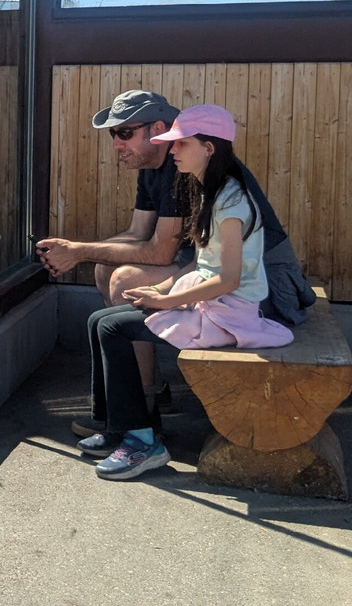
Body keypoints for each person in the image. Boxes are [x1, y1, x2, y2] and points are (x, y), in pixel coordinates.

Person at [78, 105, 294, 480]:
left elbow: (227, 279)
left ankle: (145, 443)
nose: (173, 151)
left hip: (226, 316)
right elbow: (202, 264)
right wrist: (161, 286)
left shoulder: (231, 201)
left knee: (113, 328)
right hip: (207, 304)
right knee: (100, 320)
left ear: (208, 147)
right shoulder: (207, 189)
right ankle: (119, 425)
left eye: (181, 143)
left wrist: (165, 301)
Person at [38, 90, 191, 419]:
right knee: (105, 270)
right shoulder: (153, 165)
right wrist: (75, 252)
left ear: (158, 129)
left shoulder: (182, 165)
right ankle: (147, 390)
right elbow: (137, 233)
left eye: (125, 133)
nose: (117, 144)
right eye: (113, 134)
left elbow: (161, 252)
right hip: (199, 262)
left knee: (124, 279)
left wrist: (79, 252)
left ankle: (141, 409)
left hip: (246, 277)